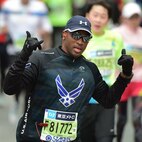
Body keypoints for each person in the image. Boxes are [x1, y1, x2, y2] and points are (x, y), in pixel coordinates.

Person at [3, 15, 133, 142]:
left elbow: (108, 101)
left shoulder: (90, 69)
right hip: (33, 137)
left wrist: (125, 75)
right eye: (76, 35)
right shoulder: (41, 59)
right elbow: (10, 88)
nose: (81, 41)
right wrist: (23, 56)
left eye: (86, 37)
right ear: (64, 34)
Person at [1, 0, 53, 122]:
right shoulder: (9, 5)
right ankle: (16, 102)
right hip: (15, 49)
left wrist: (48, 48)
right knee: (16, 78)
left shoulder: (39, 6)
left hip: (34, 50)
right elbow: (2, 23)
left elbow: (47, 28)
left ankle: (27, 111)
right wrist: (6, 30)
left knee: (30, 81)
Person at [79, 1, 124, 142]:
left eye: (103, 16)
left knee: (105, 139)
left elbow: (120, 65)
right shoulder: (79, 38)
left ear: (108, 19)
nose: (98, 20)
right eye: (95, 15)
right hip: (83, 99)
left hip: (106, 99)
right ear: (87, 16)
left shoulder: (115, 38)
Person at [113, 2, 142, 142]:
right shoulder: (116, 33)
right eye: (131, 17)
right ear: (124, 17)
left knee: (138, 117)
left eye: (137, 17)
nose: (134, 20)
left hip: (139, 80)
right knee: (122, 118)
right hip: (123, 79)